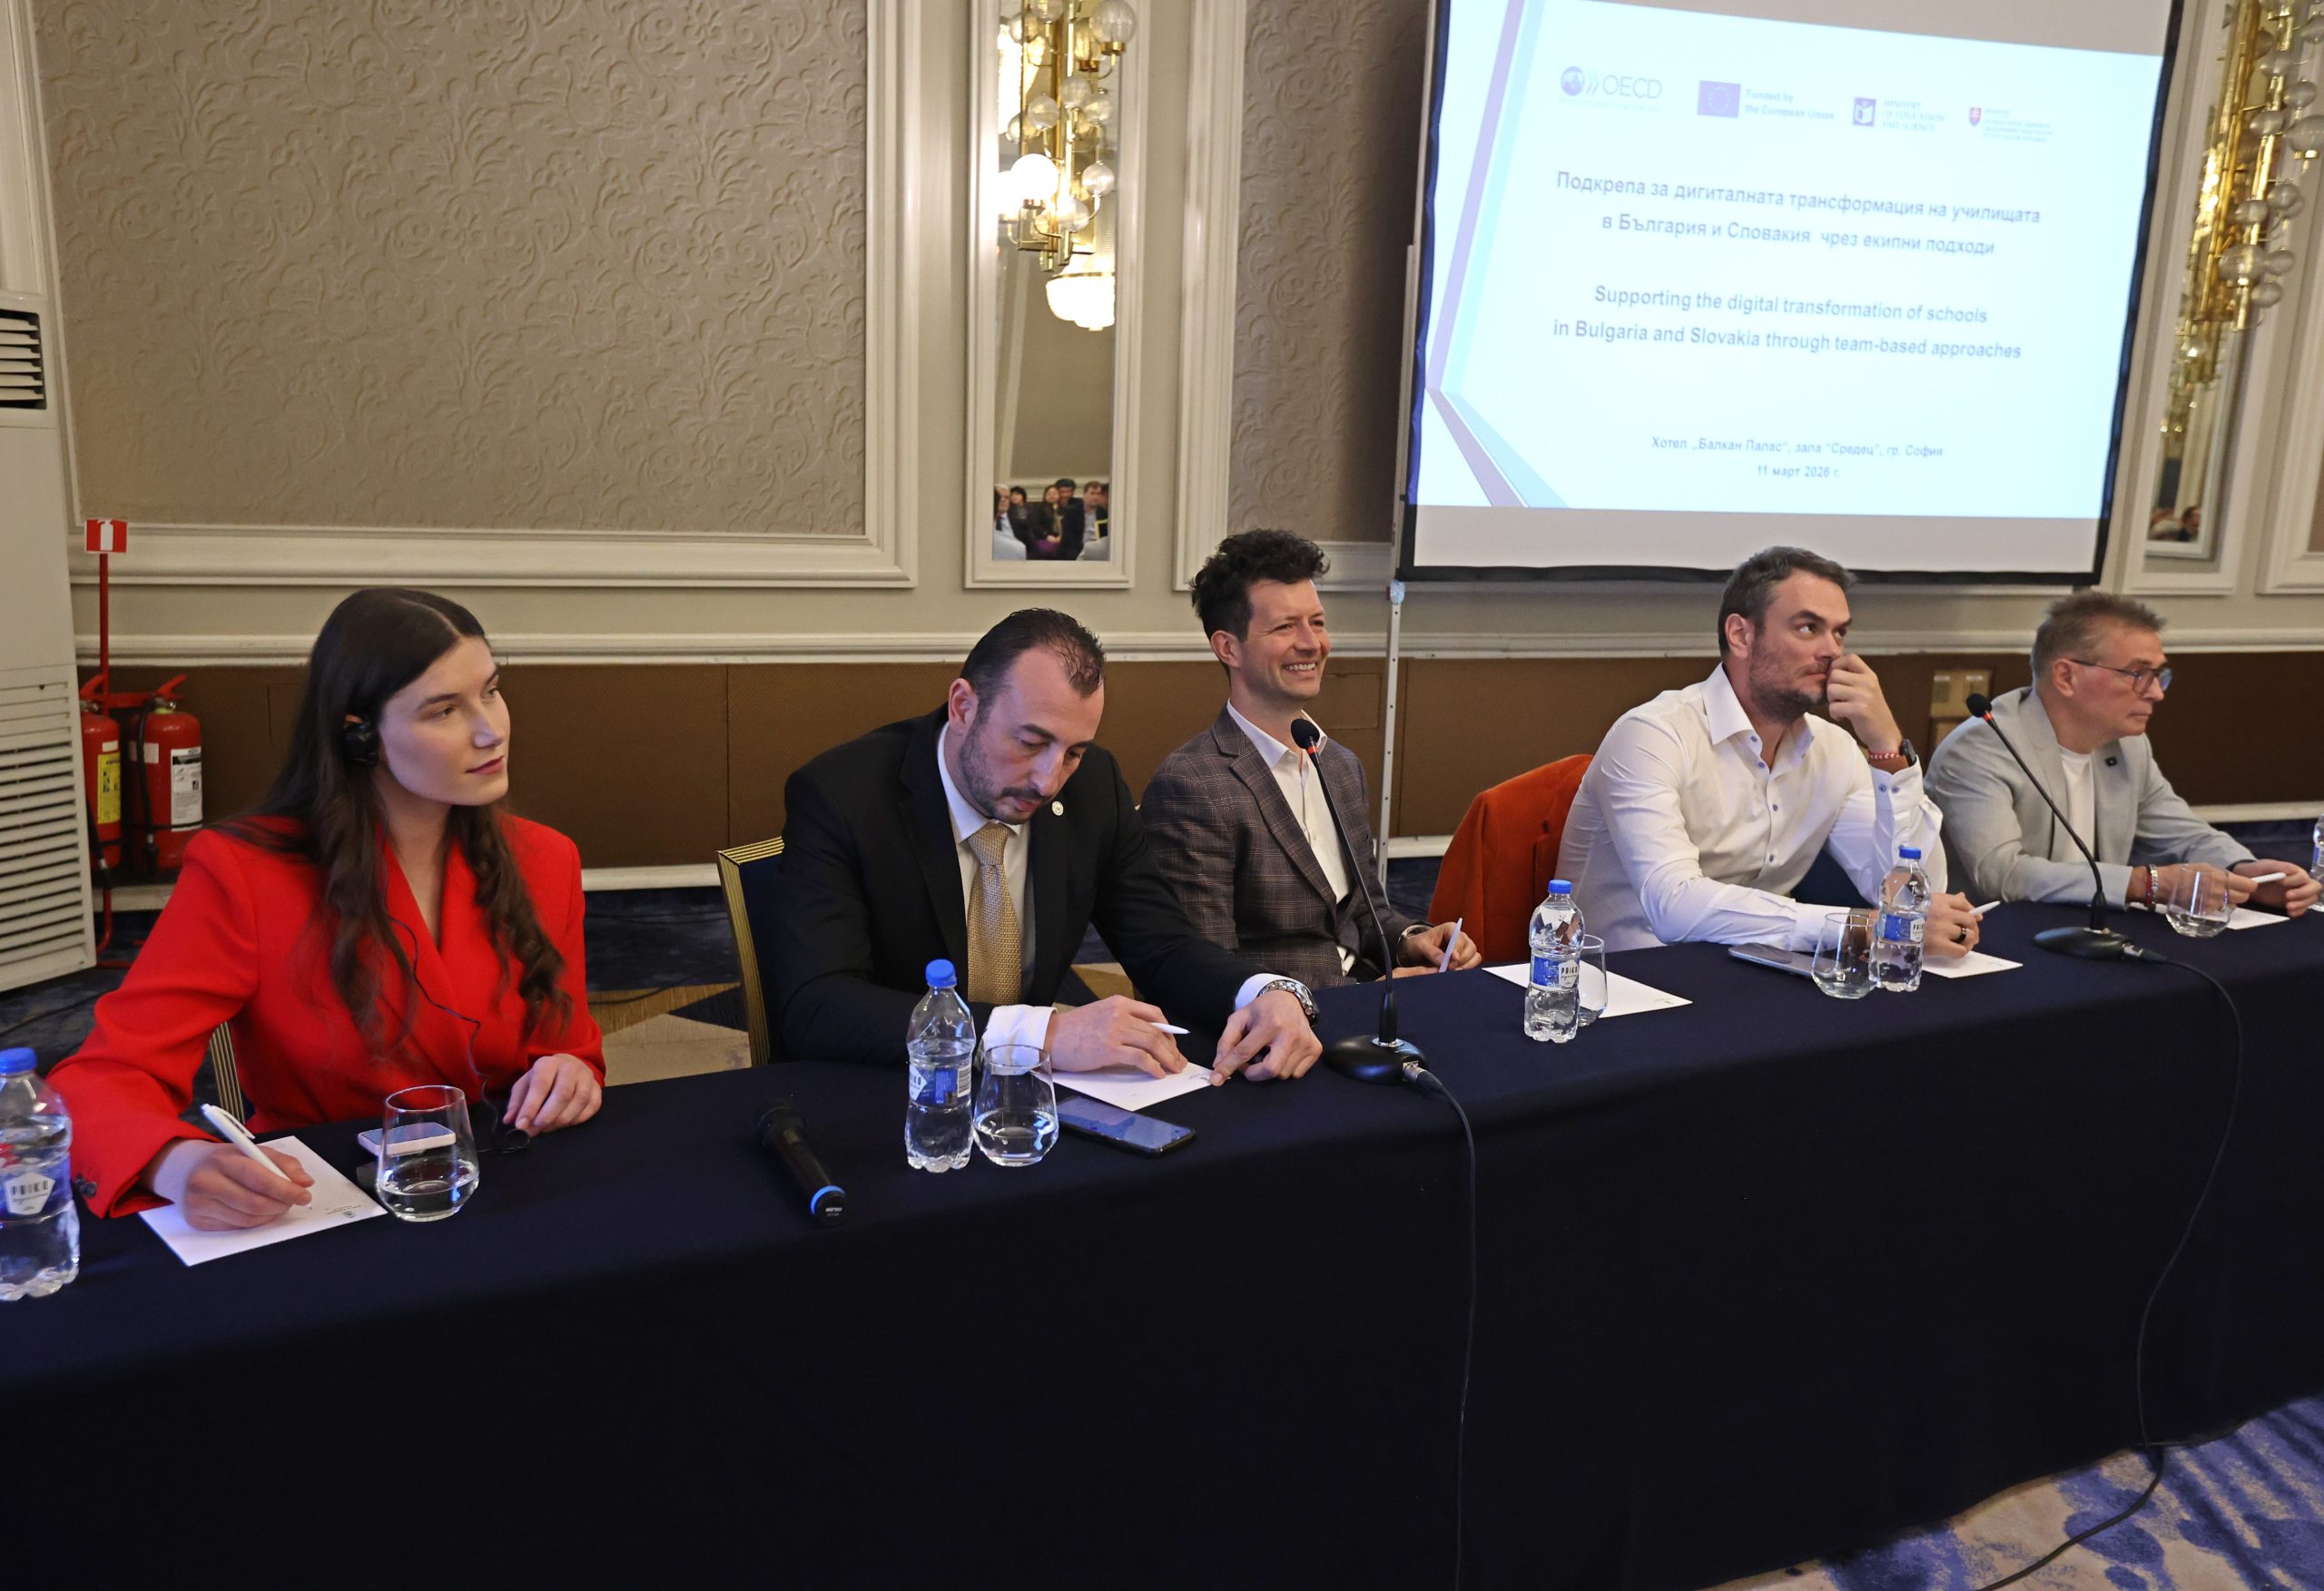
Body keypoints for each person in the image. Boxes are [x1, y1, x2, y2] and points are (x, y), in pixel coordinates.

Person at [52, 589, 603, 1230]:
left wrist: (569, 1073)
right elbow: (102, 1078)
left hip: (507, 1187)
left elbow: (568, 1049)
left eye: (492, 691)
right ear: (358, 735)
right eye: (445, 710)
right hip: (322, 1201)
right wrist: (172, 1163)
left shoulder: (545, 859)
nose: (491, 730)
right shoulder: (244, 873)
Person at [768, 609, 1323, 1083]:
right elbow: (818, 1004)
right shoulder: (843, 795)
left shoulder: (1094, 786)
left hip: (1029, 1101)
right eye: (1030, 743)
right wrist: (1043, 1034)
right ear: (963, 707)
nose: (1048, 780)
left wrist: (1263, 991)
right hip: (881, 1089)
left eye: (1074, 752)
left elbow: (1161, 943)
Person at [1556, 546, 1983, 956]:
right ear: (1741, 635)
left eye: (1839, 632)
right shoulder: (1653, 734)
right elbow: (1674, 906)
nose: (1833, 651)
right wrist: (1863, 928)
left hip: (1750, 971)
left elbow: (1912, 895)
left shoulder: (1834, 749)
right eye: (1808, 628)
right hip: (1622, 980)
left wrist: (1887, 749)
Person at [1142, 531, 1478, 988]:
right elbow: (1208, 972)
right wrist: (1365, 997)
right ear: (1228, 648)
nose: (1312, 643)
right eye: (1285, 627)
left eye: (1317, 623)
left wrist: (1414, 940)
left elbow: (1364, 915)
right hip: (1280, 1022)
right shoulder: (1192, 785)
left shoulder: (1338, 764)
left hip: (1365, 993)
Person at [1925, 591, 2318, 917]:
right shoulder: (1980, 748)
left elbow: (2182, 834)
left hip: (2089, 927)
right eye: (2137, 674)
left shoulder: (2128, 744)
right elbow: (2003, 876)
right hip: (1991, 940)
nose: (2156, 693)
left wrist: (2245, 871)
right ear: (2066, 676)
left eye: (2159, 675)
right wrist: (2146, 884)